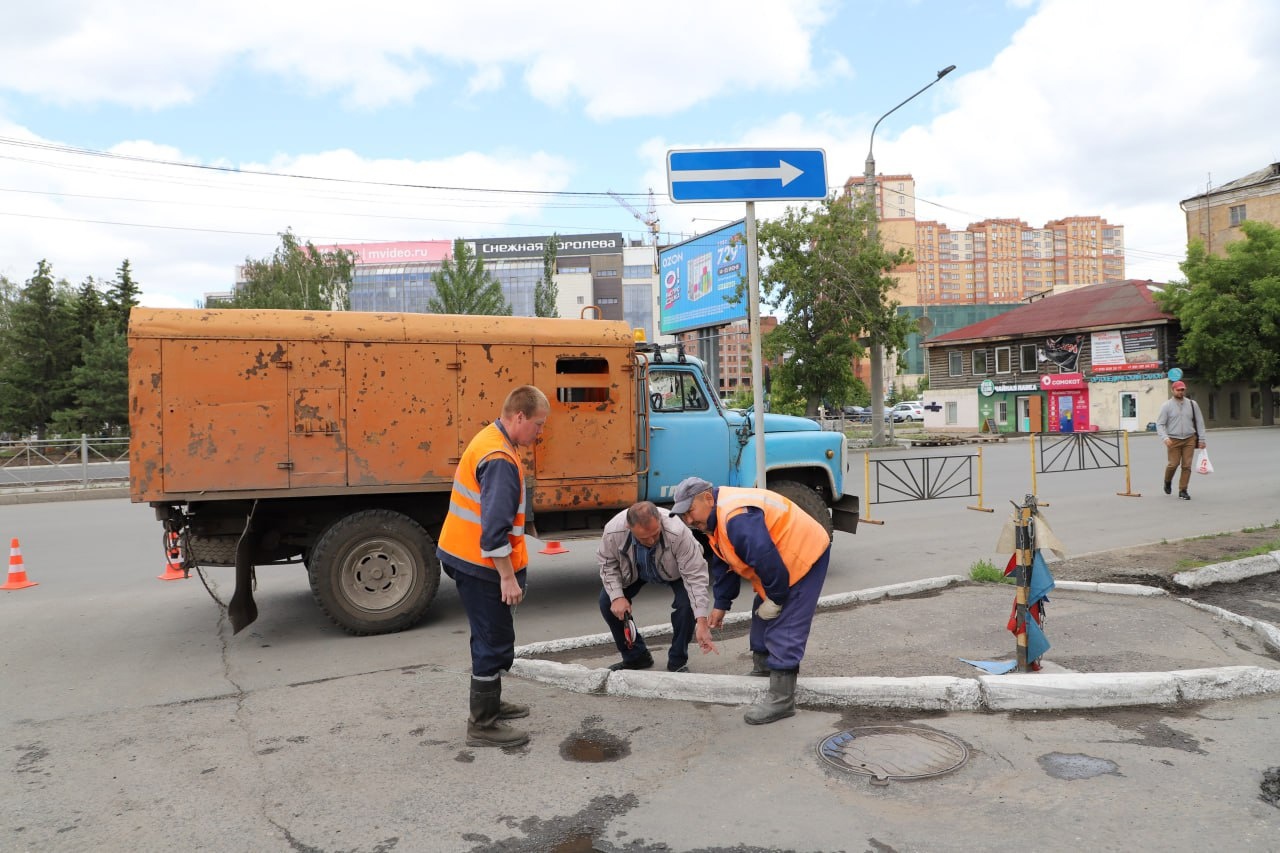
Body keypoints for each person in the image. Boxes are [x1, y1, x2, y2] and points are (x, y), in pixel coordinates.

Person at [437, 385, 550, 748]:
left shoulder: (491, 438)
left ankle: (491, 703)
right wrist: (507, 578)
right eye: (538, 424)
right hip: (482, 565)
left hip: (466, 556)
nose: (540, 432)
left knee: (485, 636)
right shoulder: (500, 457)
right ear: (519, 417)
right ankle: (482, 725)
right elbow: (494, 531)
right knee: (494, 642)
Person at [671, 476, 831, 725]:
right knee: (761, 614)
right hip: (780, 559)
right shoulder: (716, 519)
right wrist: (721, 605)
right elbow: (724, 562)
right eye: (684, 517)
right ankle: (764, 669)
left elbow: (767, 561)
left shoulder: (737, 518)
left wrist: (777, 599)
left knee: (785, 621)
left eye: (690, 512)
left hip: (804, 552)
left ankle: (782, 699)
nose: (689, 521)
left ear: (707, 498)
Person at [597, 501, 718, 673]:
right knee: (606, 602)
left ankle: (677, 662)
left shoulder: (677, 531)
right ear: (628, 527)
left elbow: (695, 577)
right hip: (635, 571)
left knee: (687, 607)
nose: (652, 540)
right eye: (644, 538)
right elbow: (607, 564)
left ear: (660, 520)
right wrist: (617, 597)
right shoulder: (614, 531)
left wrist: (702, 622)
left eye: (655, 534)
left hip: (675, 571)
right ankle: (636, 657)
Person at [1155, 380, 1206, 500]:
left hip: (1189, 438)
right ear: (1172, 390)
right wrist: (1165, 437)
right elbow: (1160, 424)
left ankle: (1183, 490)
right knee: (1173, 464)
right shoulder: (1166, 406)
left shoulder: (1192, 404)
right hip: (1173, 439)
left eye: (1182, 389)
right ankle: (1167, 481)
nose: (1181, 392)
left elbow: (1200, 422)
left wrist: (1202, 439)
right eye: (1178, 390)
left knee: (1187, 466)